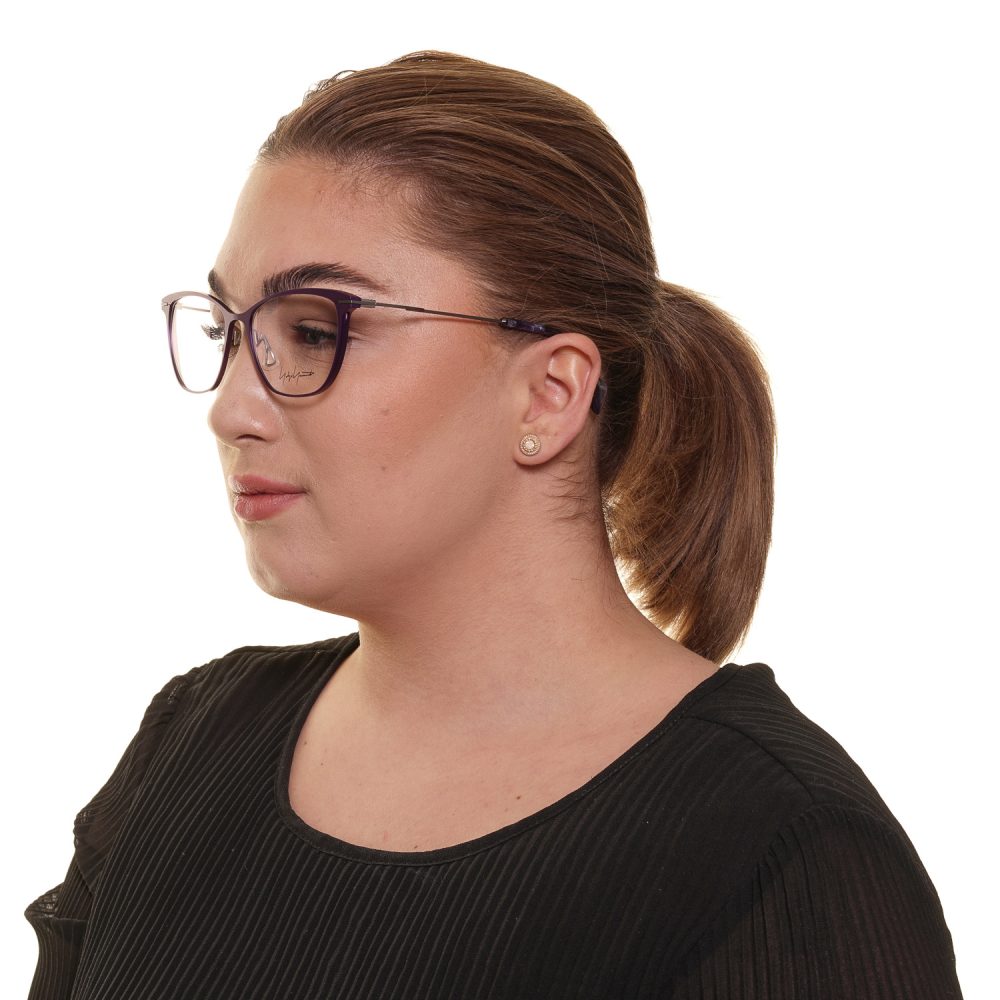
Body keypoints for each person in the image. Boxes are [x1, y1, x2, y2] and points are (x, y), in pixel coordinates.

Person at [25, 51, 963, 999]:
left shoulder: (782, 851)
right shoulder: (191, 743)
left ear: (550, 393)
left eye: (313, 330)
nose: (232, 409)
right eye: (227, 330)